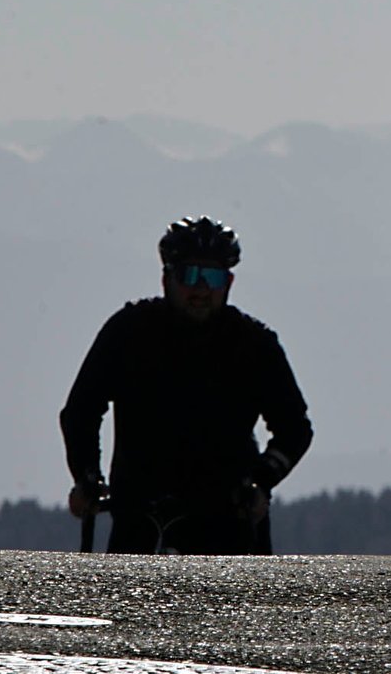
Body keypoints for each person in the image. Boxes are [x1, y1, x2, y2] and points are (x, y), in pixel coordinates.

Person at [60, 216, 312, 554]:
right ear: (167, 279)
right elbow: (81, 411)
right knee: (127, 604)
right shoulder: (128, 332)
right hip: (140, 514)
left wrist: (261, 482)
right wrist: (87, 477)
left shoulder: (254, 344)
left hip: (227, 521)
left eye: (212, 277)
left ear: (229, 282)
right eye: (189, 275)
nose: (201, 289)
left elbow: (295, 428)